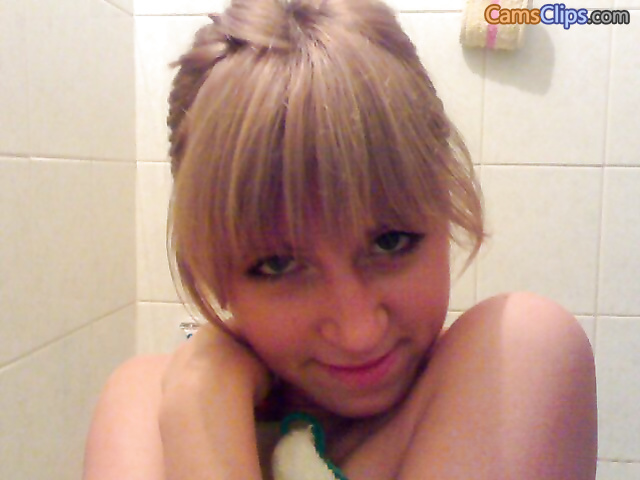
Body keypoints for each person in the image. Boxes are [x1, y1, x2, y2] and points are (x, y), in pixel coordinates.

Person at [83, 0, 597, 479]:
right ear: (212, 266)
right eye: (278, 265)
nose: (358, 333)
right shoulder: (148, 407)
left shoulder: (517, 359)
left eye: (391, 242)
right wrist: (199, 395)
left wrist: (202, 412)